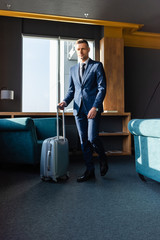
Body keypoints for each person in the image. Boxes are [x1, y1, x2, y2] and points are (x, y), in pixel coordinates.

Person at [58, 39, 108, 182]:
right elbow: (72, 90)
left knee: (92, 138)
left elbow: (102, 88)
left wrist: (95, 107)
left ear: (88, 50)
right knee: (84, 141)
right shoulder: (73, 69)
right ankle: (89, 170)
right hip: (78, 110)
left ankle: (103, 158)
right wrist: (65, 101)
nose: (80, 51)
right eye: (78, 49)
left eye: (83, 49)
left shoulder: (97, 66)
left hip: (93, 108)